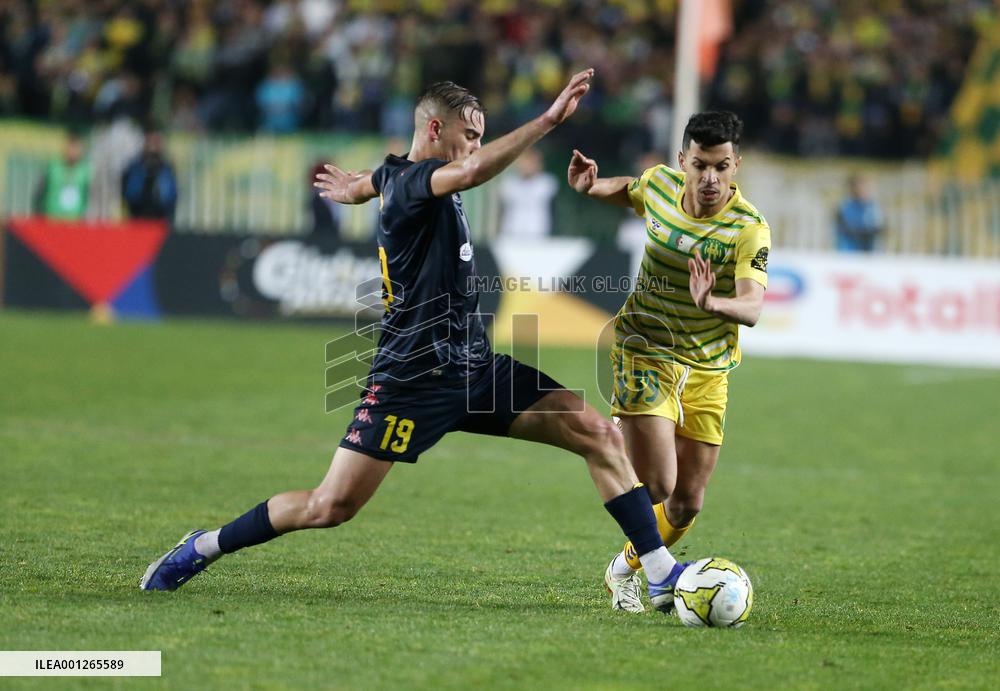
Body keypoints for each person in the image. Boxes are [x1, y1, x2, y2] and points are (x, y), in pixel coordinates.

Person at [140, 70, 690, 613]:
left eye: (478, 135)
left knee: (596, 433)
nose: (473, 145)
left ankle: (662, 576)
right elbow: (467, 172)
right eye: (468, 134)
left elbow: (370, 181)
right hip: (411, 380)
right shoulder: (415, 184)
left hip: (475, 369)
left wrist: (353, 189)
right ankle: (203, 545)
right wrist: (547, 120)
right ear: (433, 130)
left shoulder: (393, 176)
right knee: (329, 506)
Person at [567, 111, 770, 613]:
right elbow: (629, 190)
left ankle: (623, 570)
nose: (710, 179)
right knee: (657, 483)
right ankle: (661, 573)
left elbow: (753, 306)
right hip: (644, 348)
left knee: (686, 503)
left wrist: (713, 304)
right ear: (683, 160)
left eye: (722, 167)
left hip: (708, 369)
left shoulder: (749, 229)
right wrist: (593, 187)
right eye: (700, 165)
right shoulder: (660, 185)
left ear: (736, 165)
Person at [121, 127, 178, 223]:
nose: (153, 144)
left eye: (156, 140)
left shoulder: (166, 168)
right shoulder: (135, 166)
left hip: (160, 217)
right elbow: (129, 191)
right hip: (138, 216)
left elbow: (171, 195)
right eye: (151, 140)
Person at [498, 148, 558, 239]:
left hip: (538, 232)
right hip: (512, 232)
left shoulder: (546, 183)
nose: (527, 166)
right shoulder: (508, 184)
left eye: (530, 163)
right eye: (524, 162)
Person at [34, 132, 91, 220]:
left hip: (74, 224)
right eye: (71, 146)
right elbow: (39, 193)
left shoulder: (85, 171)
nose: (73, 151)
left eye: (76, 147)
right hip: (51, 222)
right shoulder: (52, 167)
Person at [835, 174, 884, 252]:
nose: (860, 190)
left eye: (863, 187)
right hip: (849, 254)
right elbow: (845, 228)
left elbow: (878, 227)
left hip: (870, 253)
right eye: (857, 187)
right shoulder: (844, 208)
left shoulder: (873, 207)